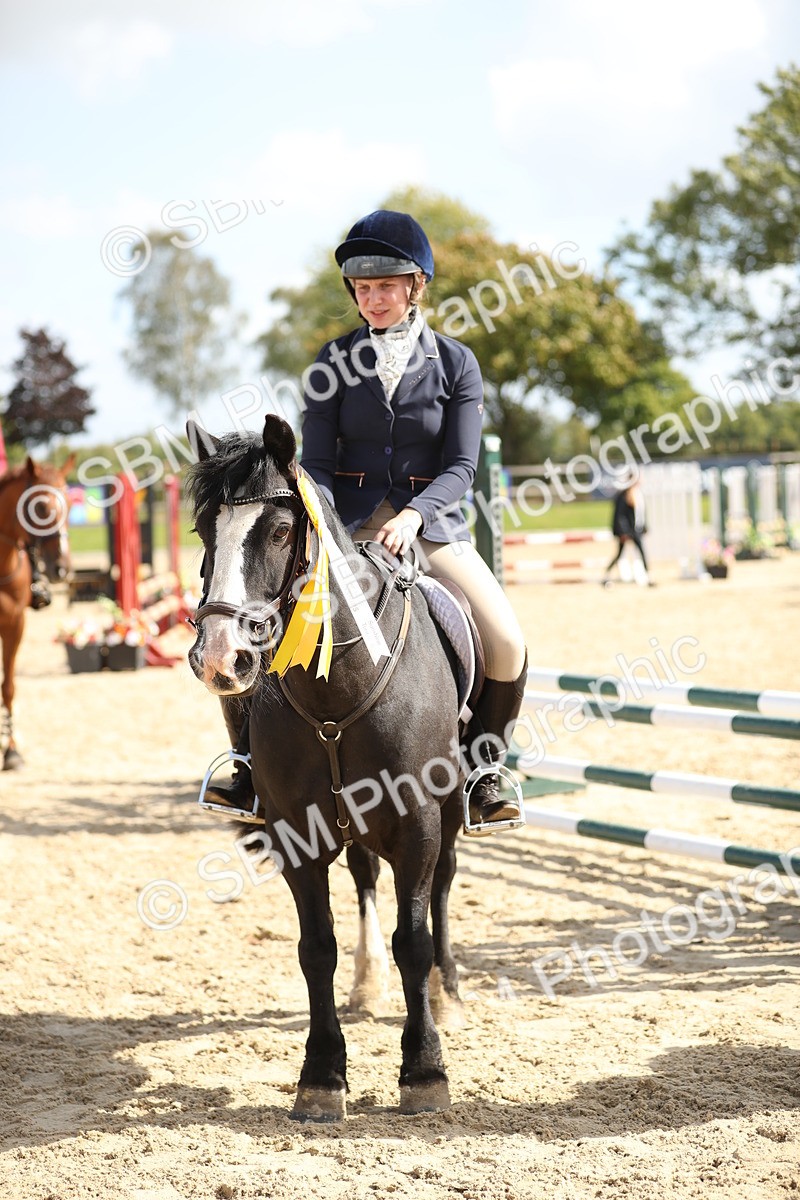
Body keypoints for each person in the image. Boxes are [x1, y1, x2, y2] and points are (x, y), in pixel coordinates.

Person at [206, 210, 528, 831]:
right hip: (344, 527)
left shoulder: (457, 363)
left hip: (430, 525)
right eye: (362, 288)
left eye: (385, 287)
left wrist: (413, 516)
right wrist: (326, 528)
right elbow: (317, 463)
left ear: (416, 285)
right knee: (262, 622)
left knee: (507, 639)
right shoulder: (333, 361)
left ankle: (485, 773)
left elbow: (462, 466)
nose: (373, 299)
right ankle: (247, 766)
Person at [602, 479, 653, 586]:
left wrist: (644, 526)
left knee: (641, 552)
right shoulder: (623, 496)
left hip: (637, 530)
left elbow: (640, 513)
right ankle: (607, 574)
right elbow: (619, 516)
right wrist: (623, 532)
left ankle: (647, 576)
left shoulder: (638, 494)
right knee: (620, 554)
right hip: (628, 531)